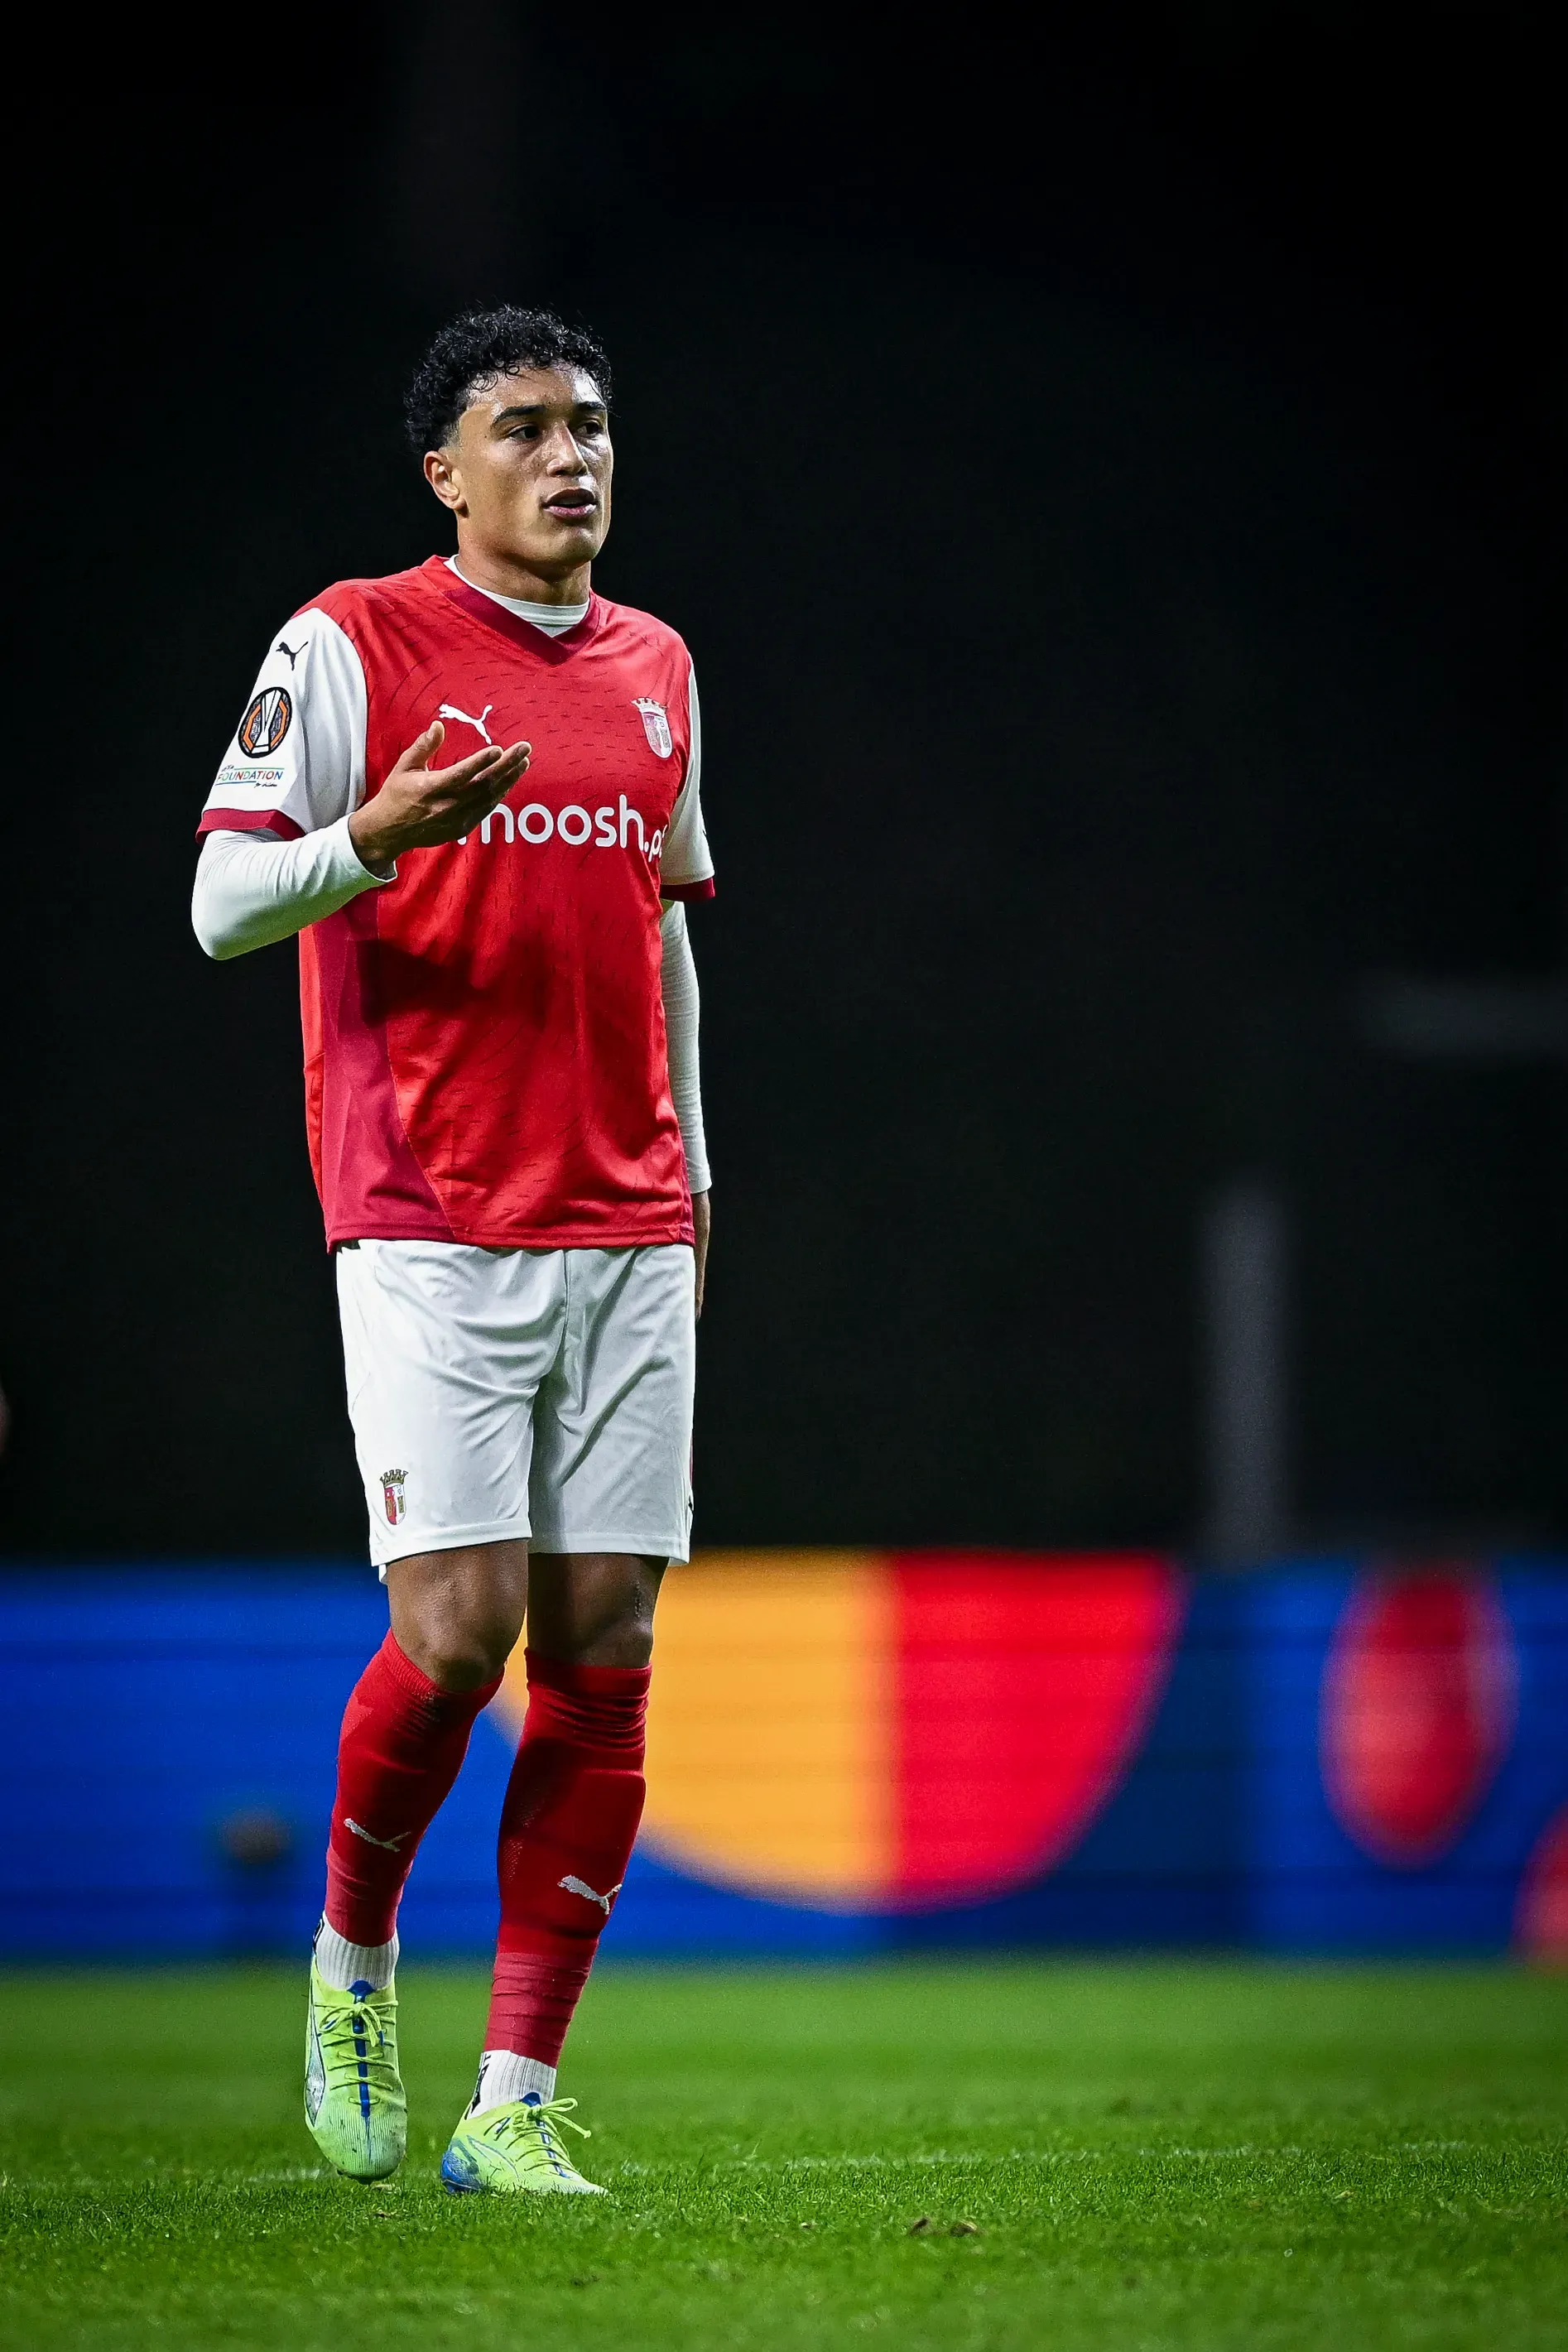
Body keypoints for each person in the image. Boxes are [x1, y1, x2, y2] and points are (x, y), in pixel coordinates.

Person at [191, 307, 713, 2196]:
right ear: (446, 473)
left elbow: (663, 940)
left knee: (605, 1645)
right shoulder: (350, 640)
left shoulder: (658, 666)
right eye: (524, 428)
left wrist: (699, 1186)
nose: (570, 456)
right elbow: (220, 899)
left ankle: (510, 2101)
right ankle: (350, 1961)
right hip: (427, 1222)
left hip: (630, 1219)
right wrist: (369, 832)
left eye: (589, 425)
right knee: (458, 1625)